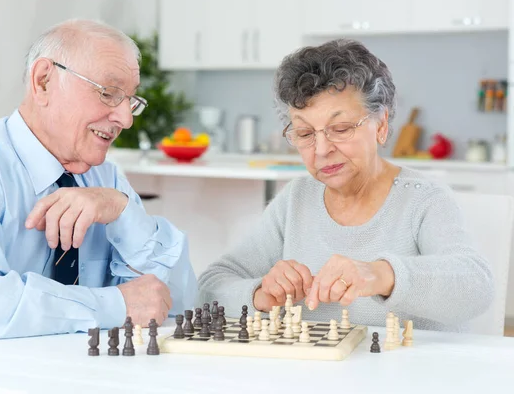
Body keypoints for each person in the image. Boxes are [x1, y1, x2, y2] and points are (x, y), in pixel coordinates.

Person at [0, 19, 197, 350]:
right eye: (108, 93)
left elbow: (172, 302)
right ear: (44, 81)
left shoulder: (106, 178)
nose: (126, 118)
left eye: (130, 100)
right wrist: (115, 305)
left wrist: (122, 209)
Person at [198, 39, 494, 332]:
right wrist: (259, 293)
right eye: (304, 133)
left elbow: (476, 285)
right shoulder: (296, 199)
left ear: (380, 125)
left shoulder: (424, 199)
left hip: (405, 374)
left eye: (340, 129)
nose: (322, 149)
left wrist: (382, 274)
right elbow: (212, 285)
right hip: (316, 374)